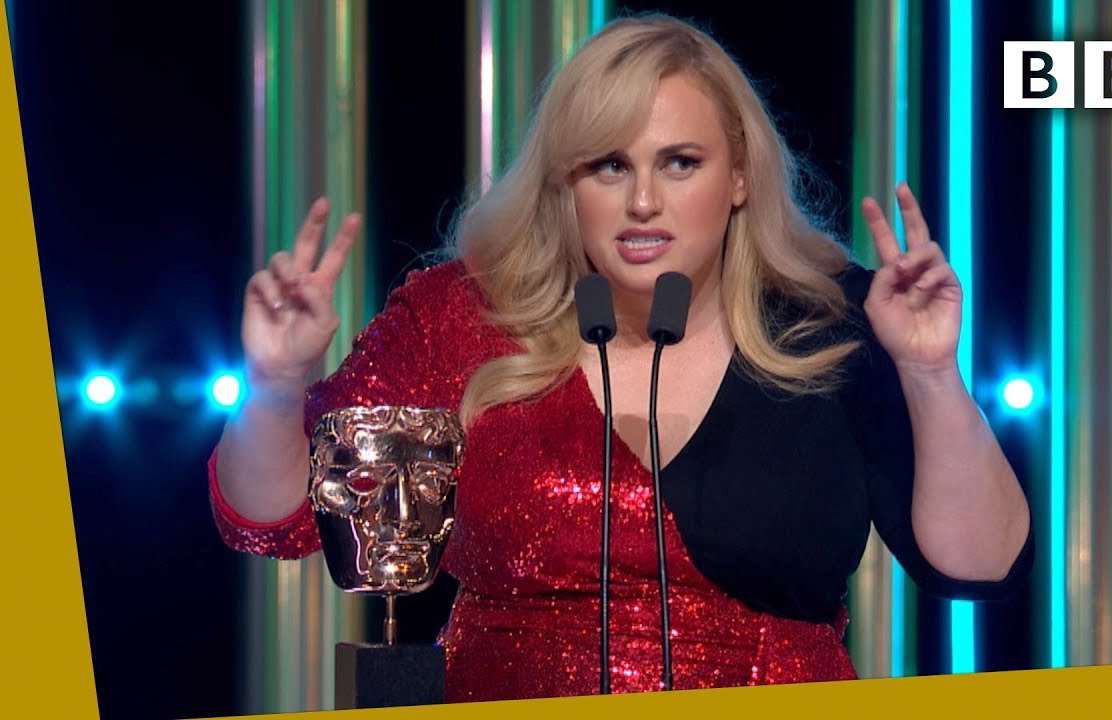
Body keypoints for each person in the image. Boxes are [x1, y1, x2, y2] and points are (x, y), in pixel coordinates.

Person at [208, 13, 1032, 703]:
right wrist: (275, 385)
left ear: (739, 177)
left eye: (680, 163)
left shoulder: (834, 322)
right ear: (566, 184)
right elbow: (274, 524)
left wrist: (929, 372)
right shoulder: (461, 314)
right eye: (609, 165)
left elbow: (982, 565)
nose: (642, 201)